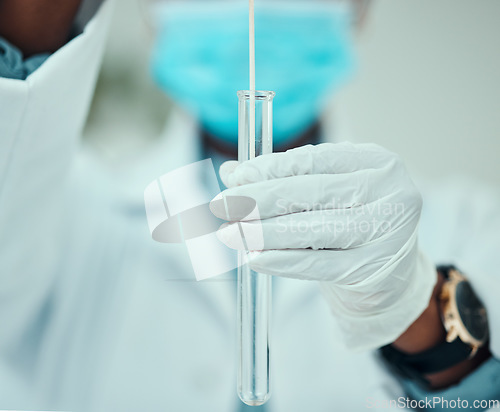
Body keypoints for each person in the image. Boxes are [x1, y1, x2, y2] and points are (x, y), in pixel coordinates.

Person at [0, 0, 498, 411]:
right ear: (152, 11)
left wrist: (413, 307)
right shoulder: (71, 213)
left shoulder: (469, 223)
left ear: (360, 7)